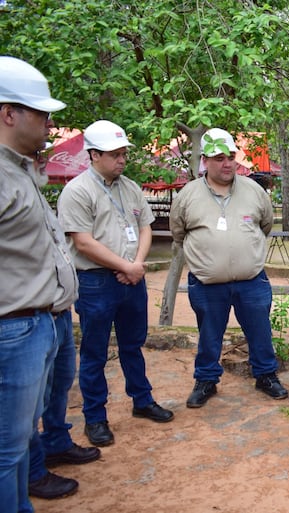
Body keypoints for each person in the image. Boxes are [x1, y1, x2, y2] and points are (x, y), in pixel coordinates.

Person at [58, 119, 174, 448]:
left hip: (131, 279)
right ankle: (95, 417)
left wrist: (136, 265)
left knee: (133, 344)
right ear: (93, 155)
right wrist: (126, 266)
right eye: (114, 154)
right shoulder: (77, 191)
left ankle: (142, 399)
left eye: (123, 154)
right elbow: (83, 242)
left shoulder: (130, 187)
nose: (122, 160)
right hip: (96, 282)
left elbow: (146, 227)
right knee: (94, 351)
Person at [170, 128, 287, 408]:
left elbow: (266, 225)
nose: (226, 163)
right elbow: (179, 232)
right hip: (208, 283)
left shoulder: (254, 191)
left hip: (251, 280)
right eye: (218, 157)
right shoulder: (188, 195)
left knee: (260, 331)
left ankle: (266, 375)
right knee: (209, 334)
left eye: (230, 156)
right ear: (205, 161)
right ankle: (206, 380)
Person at [0, 54, 64, 513]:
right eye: (40, 112)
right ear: (9, 113)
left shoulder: (21, 169)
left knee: (18, 442)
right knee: (6, 450)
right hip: (11, 329)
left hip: (36, 323)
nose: (48, 122)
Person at [28, 145, 101, 501]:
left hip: (55, 310)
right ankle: (32, 472)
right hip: (23, 317)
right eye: (37, 153)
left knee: (59, 384)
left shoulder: (32, 187)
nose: (44, 154)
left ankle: (55, 441)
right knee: (26, 403)